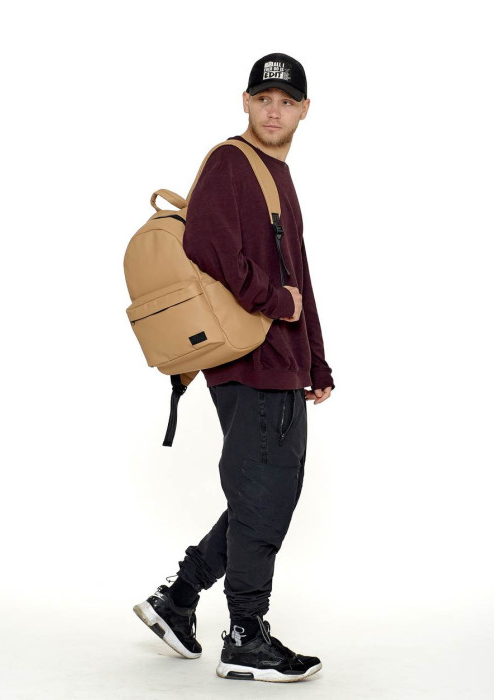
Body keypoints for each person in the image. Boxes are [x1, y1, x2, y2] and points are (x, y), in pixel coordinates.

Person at [133, 52, 335, 683]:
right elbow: (209, 247)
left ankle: (178, 599)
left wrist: (316, 359)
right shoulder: (231, 163)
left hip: (280, 362)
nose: (274, 111)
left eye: (287, 101)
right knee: (264, 500)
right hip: (249, 361)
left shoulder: (278, 175)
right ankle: (245, 637)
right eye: (263, 99)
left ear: (304, 109)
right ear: (246, 102)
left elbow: (298, 275)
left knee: (262, 495)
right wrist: (277, 303)